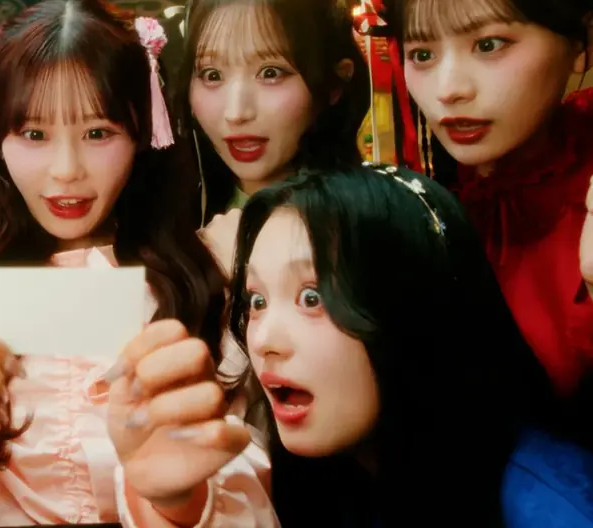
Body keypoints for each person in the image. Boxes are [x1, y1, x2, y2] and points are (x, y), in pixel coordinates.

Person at [0, 0, 277, 527]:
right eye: (34, 134)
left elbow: (248, 480)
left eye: (98, 133)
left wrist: (180, 501)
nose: (65, 171)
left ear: (143, 130)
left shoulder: (200, 271)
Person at [231, 165, 593, 526]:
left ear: (414, 308)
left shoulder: (550, 508)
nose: (263, 341)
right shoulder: (328, 481)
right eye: (257, 301)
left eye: (312, 298)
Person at [374, 0, 593, 413]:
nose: (449, 89)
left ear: (579, 42)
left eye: (489, 44)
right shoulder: (426, 207)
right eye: (423, 54)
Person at [175, 0, 368, 228]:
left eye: (270, 73)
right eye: (212, 75)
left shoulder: (368, 222)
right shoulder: (169, 223)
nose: (236, 113)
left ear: (334, 84)